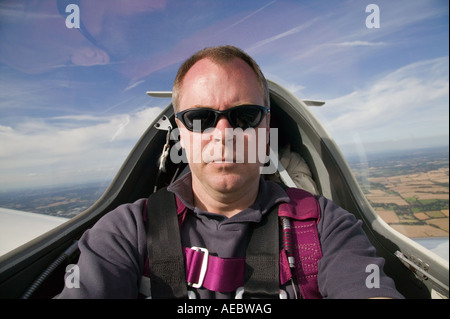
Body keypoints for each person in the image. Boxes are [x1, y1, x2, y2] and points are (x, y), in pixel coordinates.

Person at [56, 45, 404, 299]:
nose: (223, 133)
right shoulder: (125, 232)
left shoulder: (324, 227)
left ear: (266, 125)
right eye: (200, 118)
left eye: (244, 116)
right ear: (181, 131)